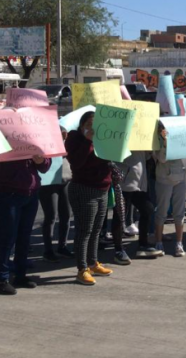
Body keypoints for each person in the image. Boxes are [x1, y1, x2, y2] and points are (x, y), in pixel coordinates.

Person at [0, 153, 51, 295]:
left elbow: (45, 166)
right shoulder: (5, 134)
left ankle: (20, 275)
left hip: (31, 192)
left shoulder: (35, 137)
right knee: (7, 237)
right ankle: (1, 279)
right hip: (8, 193)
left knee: (24, 236)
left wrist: (41, 160)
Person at [65, 112, 114, 286]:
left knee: (96, 230)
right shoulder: (74, 138)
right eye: (89, 123)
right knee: (84, 230)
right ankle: (82, 269)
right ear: (82, 124)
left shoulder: (103, 136)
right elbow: (76, 163)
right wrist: (87, 140)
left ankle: (93, 263)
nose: (93, 127)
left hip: (102, 188)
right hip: (84, 188)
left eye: (96, 124)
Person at [116, 151, 162, 258]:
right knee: (119, 215)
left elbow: (145, 157)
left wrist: (149, 152)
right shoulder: (124, 135)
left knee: (148, 209)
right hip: (125, 182)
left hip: (139, 183)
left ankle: (143, 244)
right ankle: (118, 249)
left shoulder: (140, 137)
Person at [154, 125, 186, 257]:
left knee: (179, 212)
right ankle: (158, 242)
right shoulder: (156, 139)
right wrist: (166, 143)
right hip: (164, 179)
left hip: (180, 177)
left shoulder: (178, 136)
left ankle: (179, 243)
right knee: (162, 211)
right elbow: (161, 158)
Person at [38, 155, 73, 263]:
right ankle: (48, 251)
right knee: (51, 216)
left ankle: (62, 246)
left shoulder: (67, 139)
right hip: (48, 180)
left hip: (65, 178)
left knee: (66, 214)